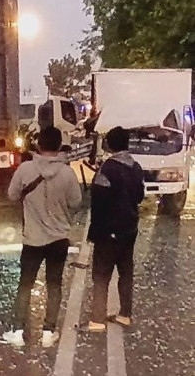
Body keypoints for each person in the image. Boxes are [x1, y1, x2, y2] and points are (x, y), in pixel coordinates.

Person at [1, 126, 83, 348]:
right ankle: (49, 331)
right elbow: (76, 203)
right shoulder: (67, 173)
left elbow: (12, 195)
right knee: (54, 284)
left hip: (32, 239)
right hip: (58, 239)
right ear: (59, 147)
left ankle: (18, 331)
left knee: (25, 284)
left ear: (39, 145)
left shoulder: (25, 170)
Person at [87, 126, 144, 332]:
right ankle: (125, 314)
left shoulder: (108, 168)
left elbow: (98, 201)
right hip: (129, 228)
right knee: (125, 271)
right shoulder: (135, 167)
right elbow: (139, 196)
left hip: (108, 231)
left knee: (101, 274)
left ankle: (97, 319)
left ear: (109, 144)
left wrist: (94, 231)